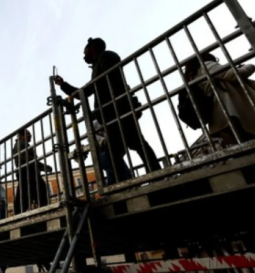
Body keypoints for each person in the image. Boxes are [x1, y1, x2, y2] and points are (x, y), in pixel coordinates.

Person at [55, 37, 161, 182]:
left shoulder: (107, 58)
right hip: (113, 113)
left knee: (131, 147)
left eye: (85, 52)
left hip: (117, 111)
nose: (83, 56)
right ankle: (147, 176)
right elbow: (87, 91)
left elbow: (91, 88)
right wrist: (63, 85)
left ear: (92, 48)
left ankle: (146, 177)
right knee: (128, 148)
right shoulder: (101, 63)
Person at [184, 53, 255, 146]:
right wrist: (249, 66)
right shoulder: (206, 65)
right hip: (232, 109)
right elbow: (235, 75)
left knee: (248, 144)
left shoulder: (192, 77)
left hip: (220, 114)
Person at [13, 129, 52, 215]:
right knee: (39, 193)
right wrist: (43, 166)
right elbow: (27, 158)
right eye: (27, 134)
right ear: (21, 136)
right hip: (28, 172)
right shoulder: (20, 144)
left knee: (26, 196)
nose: (30, 136)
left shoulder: (22, 144)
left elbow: (29, 159)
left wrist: (41, 166)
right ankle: (46, 212)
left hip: (28, 172)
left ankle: (18, 216)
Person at [94, 120, 132, 185]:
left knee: (116, 171)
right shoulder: (96, 123)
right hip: (103, 150)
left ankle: (121, 186)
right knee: (116, 171)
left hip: (106, 151)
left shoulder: (97, 125)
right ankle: (127, 184)